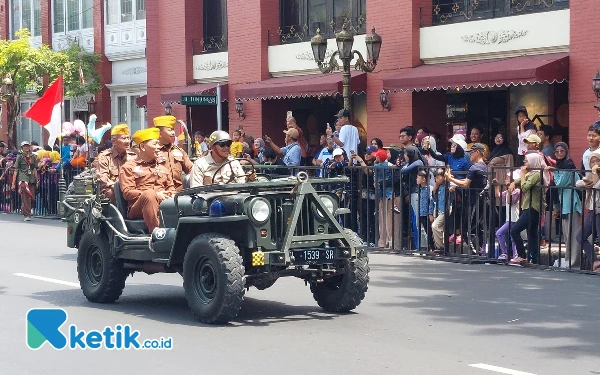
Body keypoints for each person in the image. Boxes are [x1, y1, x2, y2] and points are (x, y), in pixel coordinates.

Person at [119, 128, 176, 233]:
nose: (159, 147)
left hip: (163, 204)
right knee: (149, 195)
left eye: (159, 144)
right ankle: (157, 234)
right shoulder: (128, 167)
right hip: (138, 207)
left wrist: (172, 194)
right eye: (155, 144)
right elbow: (128, 193)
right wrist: (156, 195)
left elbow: (171, 188)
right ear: (143, 147)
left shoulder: (163, 168)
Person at [445, 143, 488, 252]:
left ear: (477, 152)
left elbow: (466, 184)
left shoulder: (475, 167)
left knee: (466, 228)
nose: (469, 155)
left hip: (475, 200)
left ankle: (476, 252)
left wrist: (451, 179)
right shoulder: (483, 165)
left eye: (471, 153)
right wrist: (456, 183)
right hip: (480, 199)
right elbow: (467, 181)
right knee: (476, 227)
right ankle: (480, 250)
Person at [508, 153, 549, 265]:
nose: (524, 163)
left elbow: (525, 187)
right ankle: (534, 259)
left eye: (526, 161)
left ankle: (522, 255)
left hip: (533, 207)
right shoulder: (530, 174)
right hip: (528, 206)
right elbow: (521, 181)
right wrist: (513, 182)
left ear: (533, 162)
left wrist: (521, 174)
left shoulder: (537, 174)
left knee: (515, 230)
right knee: (532, 234)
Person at [552, 142, 582, 269]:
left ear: (566, 152)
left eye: (562, 151)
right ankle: (569, 261)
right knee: (567, 236)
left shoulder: (568, 165)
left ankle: (574, 263)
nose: (559, 153)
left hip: (571, 204)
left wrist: (554, 171)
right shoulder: (560, 166)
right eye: (557, 151)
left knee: (573, 235)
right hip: (563, 204)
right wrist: (556, 207)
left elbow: (559, 184)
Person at [94, 124, 137, 204]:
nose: (127, 141)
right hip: (113, 191)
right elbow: (103, 179)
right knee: (111, 192)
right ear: (114, 141)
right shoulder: (105, 157)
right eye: (123, 138)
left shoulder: (133, 157)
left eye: (128, 138)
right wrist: (120, 187)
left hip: (130, 188)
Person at [154, 115, 194, 192]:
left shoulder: (179, 151)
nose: (173, 133)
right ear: (159, 133)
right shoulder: (153, 151)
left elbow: (191, 169)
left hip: (180, 191)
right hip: (161, 191)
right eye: (169, 130)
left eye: (173, 130)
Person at [575, 151, 600, 272]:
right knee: (580, 236)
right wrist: (585, 184)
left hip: (599, 210)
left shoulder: (596, 173)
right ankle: (595, 261)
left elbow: (597, 186)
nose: (595, 164)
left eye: (597, 161)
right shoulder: (591, 174)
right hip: (592, 209)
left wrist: (595, 173)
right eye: (592, 162)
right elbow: (579, 182)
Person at [495, 170, 521, 261]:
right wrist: (497, 185)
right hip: (509, 218)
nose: (506, 180)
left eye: (507, 178)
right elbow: (498, 195)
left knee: (500, 233)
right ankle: (513, 255)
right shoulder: (507, 191)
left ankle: (506, 253)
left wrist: (510, 191)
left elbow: (510, 201)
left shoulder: (517, 191)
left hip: (514, 218)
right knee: (511, 236)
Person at [11, 141, 39, 221]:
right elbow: (16, 170)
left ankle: (25, 208)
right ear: (22, 148)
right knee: (26, 196)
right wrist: (13, 183)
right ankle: (27, 214)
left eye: (27, 146)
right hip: (23, 178)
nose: (26, 148)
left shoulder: (33, 156)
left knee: (32, 197)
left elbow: (34, 169)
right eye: (24, 146)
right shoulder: (19, 157)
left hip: (31, 178)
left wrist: (37, 180)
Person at [431, 168, 451, 252]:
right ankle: (439, 247)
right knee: (439, 229)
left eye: (438, 177)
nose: (436, 180)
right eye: (435, 178)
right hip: (438, 209)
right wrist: (434, 189)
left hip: (445, 209)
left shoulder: (448, 184)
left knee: (435, 226)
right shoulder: (438, 186)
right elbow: (434, 198)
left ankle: (440, 247)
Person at [415, 170, 434, 250]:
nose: (416, 179)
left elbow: (431, 201)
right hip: (421, 212)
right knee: (423, 230)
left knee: (429, 231)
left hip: (426, 213)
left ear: (423, 179)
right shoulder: (420, 189)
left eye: (418, 178)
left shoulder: (429, 189)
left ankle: (432, 247)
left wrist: (430, 213)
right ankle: (427, 247)